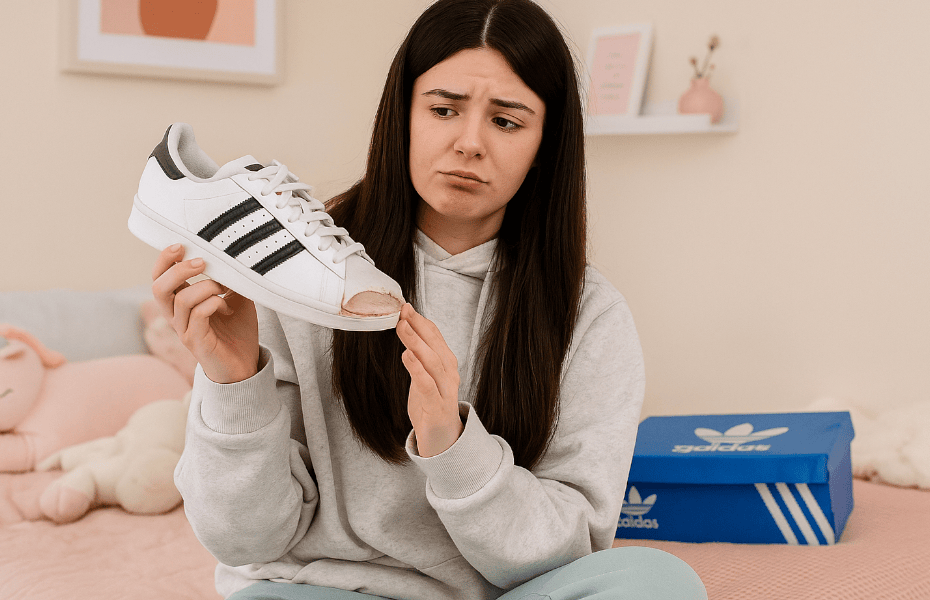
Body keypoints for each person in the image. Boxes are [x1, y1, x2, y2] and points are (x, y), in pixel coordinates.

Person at [153, 0, 707, 598]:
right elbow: (245, 541)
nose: (469, 143)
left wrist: (453, 447)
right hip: (321, 591)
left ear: (545, 144)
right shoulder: (290, 271)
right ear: (403, 114)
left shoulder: (590, 313)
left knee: (659, 583)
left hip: (501, 593)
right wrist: (234, 382)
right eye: (443, 110)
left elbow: (571, 549)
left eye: (507, 122)